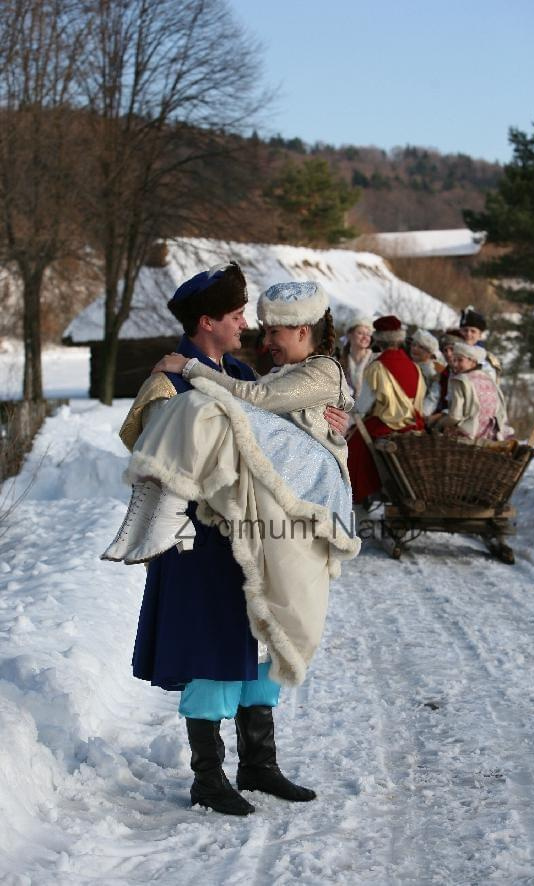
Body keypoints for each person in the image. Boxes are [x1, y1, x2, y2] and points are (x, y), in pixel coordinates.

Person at [102, 266, 357, 817]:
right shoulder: (168, 382)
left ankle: (258, 765)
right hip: (200, 538)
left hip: (256, 537)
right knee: (212, 652)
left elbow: (282, 426)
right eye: (238, 316)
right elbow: (152, 454)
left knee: (260, 646)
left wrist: (331, 427)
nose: (249, 327)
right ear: (207, 322)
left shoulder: (238, 371)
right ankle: (209, 777)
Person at [346, 315, 425, 503]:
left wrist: (348, 423)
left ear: (379, 339)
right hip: (413, 424)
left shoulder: (377, 367)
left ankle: (358, 495)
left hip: (386, 424)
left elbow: (362, 407)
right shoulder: (414, 367)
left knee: (353, 446)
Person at [438, 340, 513, 440]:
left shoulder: (460, 381)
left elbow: (455, 416)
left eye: (460, 360)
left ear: (473, 361)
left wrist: (438, 424)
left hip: (470, 434)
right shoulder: (489, 378)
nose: (455, 364)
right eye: (454, 360)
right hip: (494, 432)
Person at [459, 306, 502, 380]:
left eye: (473, 331)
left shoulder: (486, 360)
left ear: (480, 335)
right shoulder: (450, 353)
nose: (468, 334)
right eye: (465, 330)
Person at [410, 328, 444, 417]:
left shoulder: (432, 370)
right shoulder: (409, 364)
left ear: (429, 352)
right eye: (413, 345)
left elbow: (433, 396)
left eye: (421, 347)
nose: (415, 348)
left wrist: (422, 413)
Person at [340, 314, 375, 399]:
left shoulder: (375, 359)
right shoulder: (341, 361)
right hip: (347, 409)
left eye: (368, 334)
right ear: (349, 335)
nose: (365, 337)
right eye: (360, 333)